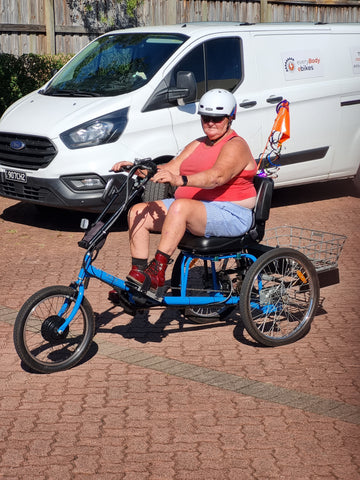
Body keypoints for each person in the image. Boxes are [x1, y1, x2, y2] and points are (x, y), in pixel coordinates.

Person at [111, 88, 257, 293]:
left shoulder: (236, 145)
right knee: (138, 212)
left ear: (230, 118)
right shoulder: (198, 144)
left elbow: (217, 177)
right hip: (195, 209)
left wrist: (180, 180)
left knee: (180, 207)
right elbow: (170, 168)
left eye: (217, 118)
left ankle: (157, 273)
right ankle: (139, 279)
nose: (211, 123)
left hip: (230, 212)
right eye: (206, 117)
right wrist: (138, 169)